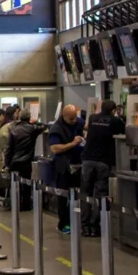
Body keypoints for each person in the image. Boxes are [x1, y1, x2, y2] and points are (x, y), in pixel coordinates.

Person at [81, 99, 125, 237]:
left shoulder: (93, 117)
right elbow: (125, 133)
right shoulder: (115, 121)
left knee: (86, 194)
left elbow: (88, 128)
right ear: (114, 110)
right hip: (103, 162)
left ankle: (84, 226)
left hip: (87, 160)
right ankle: (95, 226)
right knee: (100, 195)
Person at [49, 104, 84, 234]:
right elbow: (55, 148)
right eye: (71, 119)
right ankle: (63, 223)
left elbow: (85, 126)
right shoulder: (56, 129)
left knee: (76, 195)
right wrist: (73, 143)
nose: (74, 121)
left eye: (75, 118)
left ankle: (75, 220)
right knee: (63, 195)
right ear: (64, 116)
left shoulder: (77, 121)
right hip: (62, 165)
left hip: (77, 164)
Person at [4, 109, 46, 210]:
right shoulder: (32, 129)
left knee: (14, 184)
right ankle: (26, 205)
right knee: (26, 184)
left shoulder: (13, 129)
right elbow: (45, 126)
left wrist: (7, 164)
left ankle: (15, 204)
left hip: (14, 162)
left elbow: (9, 149)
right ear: (29, 117)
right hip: (26, 161)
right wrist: (35, 121)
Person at [0, 106, 16, 204]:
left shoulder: (0, 125)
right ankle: (1, 196)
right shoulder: (1, 127)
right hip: (0, 156)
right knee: (1, 177)